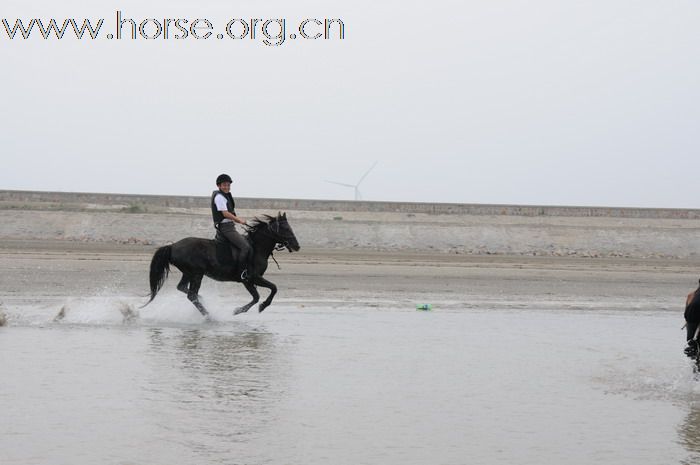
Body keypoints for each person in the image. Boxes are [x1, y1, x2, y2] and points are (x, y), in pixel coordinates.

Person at [211, 173, 253, 282]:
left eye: (228, 185)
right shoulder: (219, 197)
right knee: (245, 247)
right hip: (226, 227)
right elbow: (225, 214)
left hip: (230, 226)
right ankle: (241, 272)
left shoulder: (226, 196)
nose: (227, 187)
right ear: (219, 186)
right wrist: (239, 220)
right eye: (224, 185)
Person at [684, 280, 700, 358]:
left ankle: (691, 347)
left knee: (690, 340)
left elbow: (687, 311)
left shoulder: (691, 295)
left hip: (691, 318)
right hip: (693, 317)